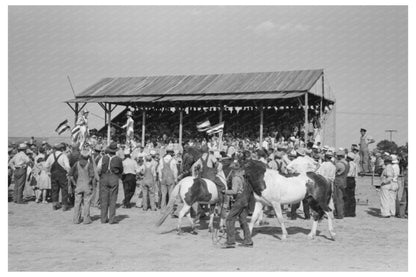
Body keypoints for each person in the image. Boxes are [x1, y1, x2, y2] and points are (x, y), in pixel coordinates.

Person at [222, 161, 253, 248]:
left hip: (239, 199)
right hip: (244, 199)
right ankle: (248, 240)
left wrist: (225, 192)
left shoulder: (235, 178)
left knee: (229, 219)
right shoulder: (242, 177)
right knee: (243, 219)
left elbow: (234, 191)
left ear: (232, 170)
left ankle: (230, 242)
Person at [97, 142, 124, 223]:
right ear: (115, 150)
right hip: (114, 177)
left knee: (104, 199)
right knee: (113, 199)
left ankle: (103, 218)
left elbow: (99, 168)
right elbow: (121, 170)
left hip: (104, 177)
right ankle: (111, 219)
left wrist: (101, 175)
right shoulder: (119, 159)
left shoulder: (103, 157)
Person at [69, 149, 95, 224]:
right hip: (86, 185)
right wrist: (89, 183)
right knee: (87, 203)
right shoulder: (89, 165)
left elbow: (70, 175)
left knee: (77, 203)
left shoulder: (76, 164)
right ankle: (86, 219)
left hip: (78, 185)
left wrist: (74, 183)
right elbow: (91, 176)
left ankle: (76, 219)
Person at [45, 143, 71, 211]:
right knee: (64, 189)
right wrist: (68, 173)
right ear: (62, 149)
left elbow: (46, 165)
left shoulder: (51, 156)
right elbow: (67, 167)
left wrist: (48, 172)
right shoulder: (64, 156)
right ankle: (64, 205)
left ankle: (54, 204)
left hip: (53, 174)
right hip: (62, 175)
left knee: (54, 189)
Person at [333, 150, 350, 219]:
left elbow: (334, 171)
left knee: (338, 198)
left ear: (339, 156)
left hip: (338, 181)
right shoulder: (347, 163)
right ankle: (341, 213)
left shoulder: (339, 164)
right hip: (344, 181)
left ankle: (339, 214)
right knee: (341, 198)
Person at [345, 152, 358, 217]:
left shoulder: (347, 164)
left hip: (347, 179)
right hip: (352, 180)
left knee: (346, 195)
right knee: (352, 196)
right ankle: (352, 212)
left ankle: (346, 212)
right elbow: (356, 174)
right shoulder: (355, 164)